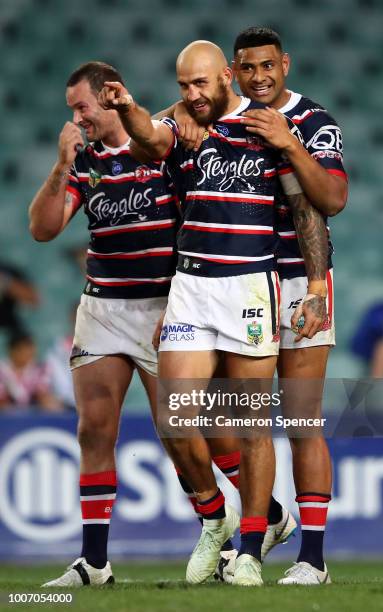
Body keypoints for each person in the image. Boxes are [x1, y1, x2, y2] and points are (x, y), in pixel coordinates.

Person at [99, 39, 329, 586]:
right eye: (184, 86)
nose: (193, 94)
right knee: (176, 415)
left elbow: (306, 209)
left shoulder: (267, 128)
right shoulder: (178, 123)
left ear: (226, 76)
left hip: (250, 285)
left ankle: (251, 545)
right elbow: (149, 143)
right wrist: (131, 107)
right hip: (192, 286)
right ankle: (215, 516)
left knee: (252, 425)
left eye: (201, 83)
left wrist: (316, 286)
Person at [166, 28, 348, 585]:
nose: (259, 77)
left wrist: (289, 141)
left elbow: (331, 200)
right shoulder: (219, 119)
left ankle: (311, 558)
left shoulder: (313, 122)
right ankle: (266, 517)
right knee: (217, 416)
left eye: (268, 66)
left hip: (298, 282)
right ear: (233, 74)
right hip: (233, 282)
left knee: (299, 419)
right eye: (248, 69)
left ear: (285, 65)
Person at [29, 61, 179, 587]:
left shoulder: (160, 149)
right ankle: (94, 563)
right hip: (104, 307)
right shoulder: (84, 162)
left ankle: (248, 529)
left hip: (165, 309)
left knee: (182, 433)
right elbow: (43, 229)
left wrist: (184, 305)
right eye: (72, 109)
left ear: (109, 99)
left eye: (82, 107)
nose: (76, 117)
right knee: (94, 430)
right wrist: (59, 165)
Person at [0, 333, 61, 411]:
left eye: (31, 349)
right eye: (23, 349)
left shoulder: (40, 369)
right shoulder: (2, 370)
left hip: (32, 417)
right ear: (12, 351)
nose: (29, 353)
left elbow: (43, 395)